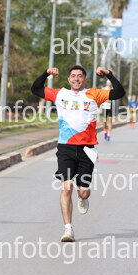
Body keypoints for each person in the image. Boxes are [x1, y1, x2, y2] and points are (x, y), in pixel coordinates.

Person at [31, 65, 125, 242]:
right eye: (73, 76)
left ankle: (83, 197)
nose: (76, 79)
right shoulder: (60, 94)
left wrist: (109, 75)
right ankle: (68, 229)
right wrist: (46, 73)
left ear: (85, 79)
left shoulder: (94, 94)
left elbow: (119, 92)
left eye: (80, 76)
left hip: (87, 149)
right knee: (66, 187)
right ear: (68, 79)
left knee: (83, 192)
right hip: (65, 146)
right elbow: (35, 89)